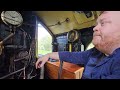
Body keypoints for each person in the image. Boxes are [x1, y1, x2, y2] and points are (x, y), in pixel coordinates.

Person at [35, 11, 120, 79]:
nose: (95, 28)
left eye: (103, 23)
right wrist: (48, 55)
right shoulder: (95, 52)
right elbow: (71, 56)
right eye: (96, 24)